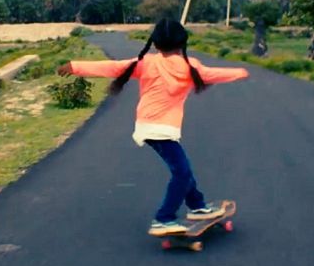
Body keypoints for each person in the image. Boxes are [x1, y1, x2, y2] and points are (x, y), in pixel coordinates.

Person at [58, 18, 249, 235]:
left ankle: (197, 206)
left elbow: (113, 67)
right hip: (162, 131)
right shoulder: (190, 66)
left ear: (155, 44)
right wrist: (240, 72)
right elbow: (213, 74)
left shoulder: (146, 63)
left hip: (147, 127)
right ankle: (164, 218)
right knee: (182, 173)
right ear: (182, 43)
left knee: (182, 170)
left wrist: (75, 66)